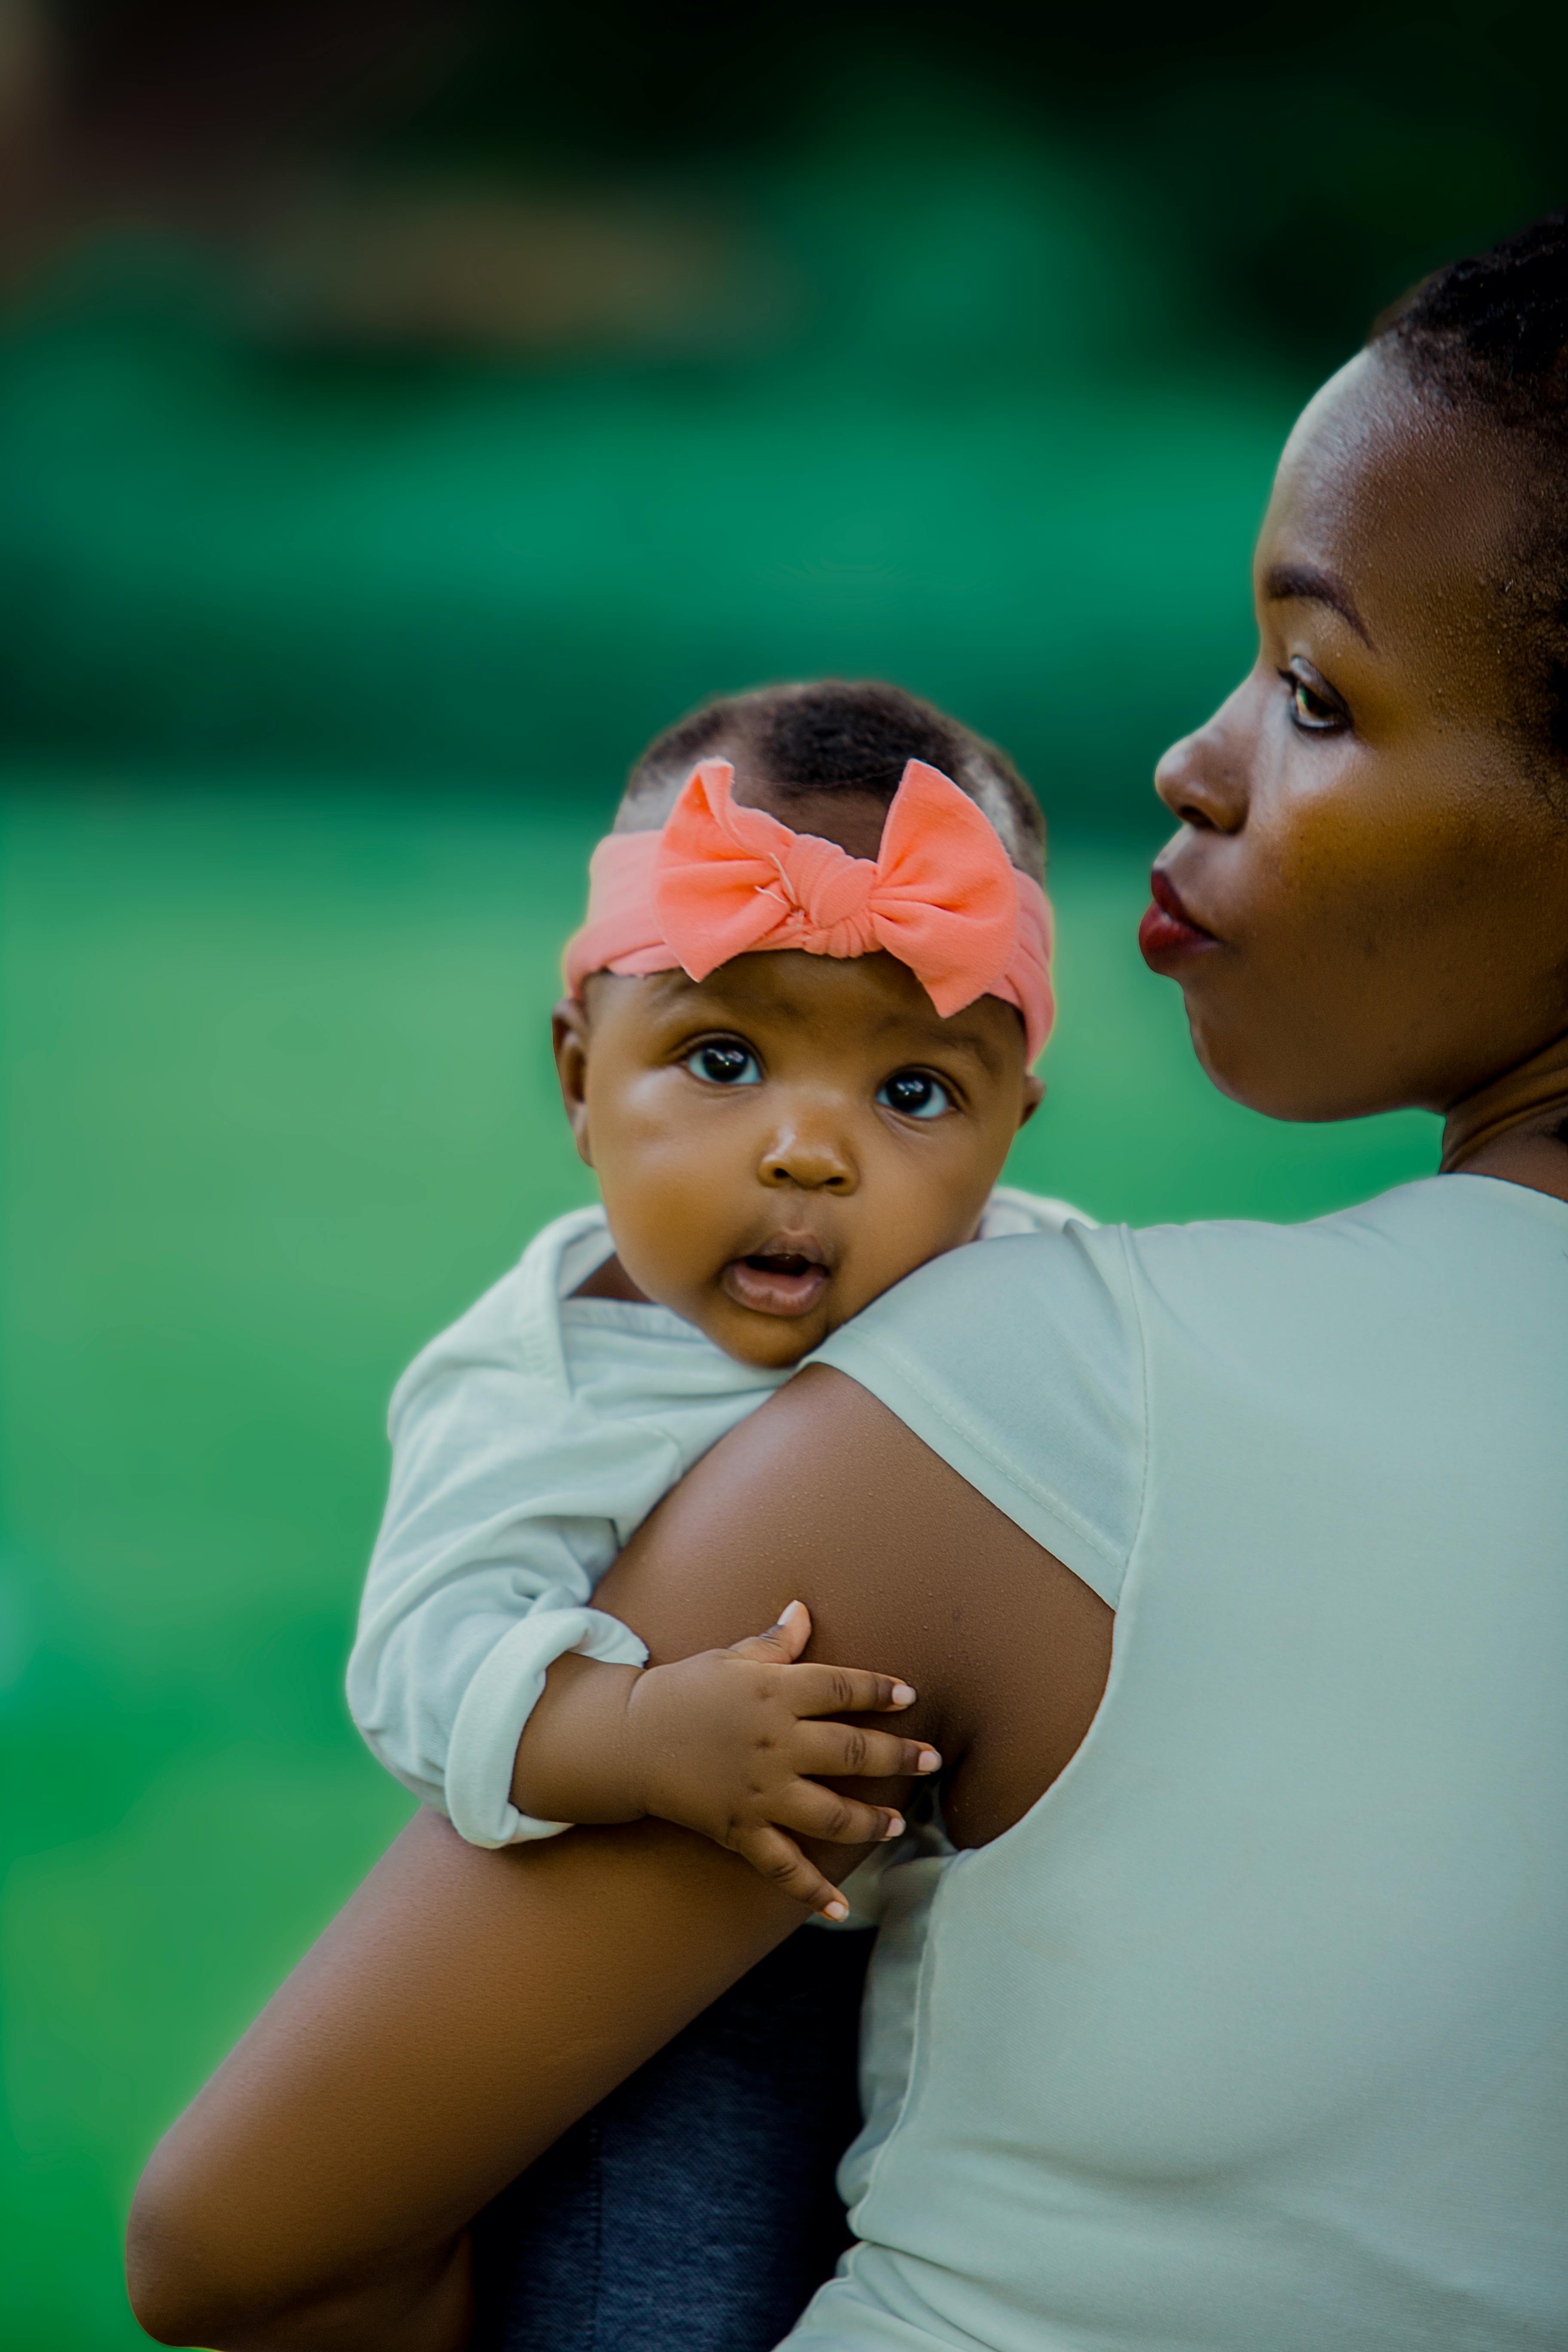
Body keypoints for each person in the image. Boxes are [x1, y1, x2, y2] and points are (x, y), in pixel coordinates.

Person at [128, 211, 1568, 2352]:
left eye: (1313, 688)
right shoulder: (659, 1366)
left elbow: (240, 2252)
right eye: (725, 1058)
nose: (1190, 765)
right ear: (581, 1076)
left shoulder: (1035, 1390)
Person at [347, 677, 1087, 2345]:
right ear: (580, 1077)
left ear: (1006, 1135)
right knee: (659, 2295)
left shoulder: (1052, 1298)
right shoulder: (543, 1378)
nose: (810, 1152)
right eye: (725, 1057)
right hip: (690, 1988)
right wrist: (638, 1734)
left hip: (1002, 1968)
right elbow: (423, 1659)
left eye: (912, 1095)